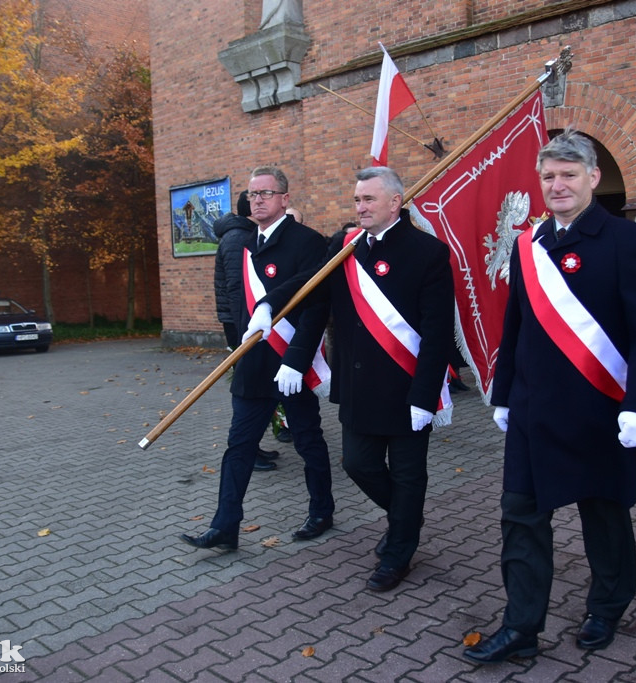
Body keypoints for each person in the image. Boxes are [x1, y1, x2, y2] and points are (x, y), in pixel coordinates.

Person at [464, 130, 636, 663]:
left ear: (593, 179)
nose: (557, 185)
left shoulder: (626, 241)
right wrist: (504, 392)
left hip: (602, 409)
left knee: (603, 515)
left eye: (568, 175)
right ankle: (521, 626)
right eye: (549, 176)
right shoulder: (529, 245)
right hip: (534, 411)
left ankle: (607, 605)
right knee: (520, 516)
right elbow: (516, 327)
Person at [246, 166, 455, 592]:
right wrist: (269, 304)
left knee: (409, 474)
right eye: (357, 200)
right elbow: (312, 289)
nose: (359, 207)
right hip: (359, 385)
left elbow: (436, 333)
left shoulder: (427, 252)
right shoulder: (345, 247)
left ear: (394, 202)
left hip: (407, 385)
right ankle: (405, 520)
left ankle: (399, 551)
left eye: (368, 200)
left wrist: (425, 394)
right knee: (357, 464)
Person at [181, 166, 335, 551]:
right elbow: (238, 304)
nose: (258, 199)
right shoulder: (245, 244)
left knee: (306, 439)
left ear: (285, 198)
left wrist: (297, 361)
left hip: (289, 363)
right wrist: (237, 348)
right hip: (253, 362)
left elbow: (316, 309)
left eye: (266, 193)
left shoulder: (309, 242)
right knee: (240, 444)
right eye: (252, 194)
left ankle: (322, 510)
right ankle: (225, 525)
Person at [212, 191, 280, 471]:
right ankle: (246, 450)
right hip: (241, 322)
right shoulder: (239, 238)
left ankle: (252, 446)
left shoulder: (241, 234)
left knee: (255, 385)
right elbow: (240, 288)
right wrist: (248, 326)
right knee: (249, 386)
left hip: (243, 320)